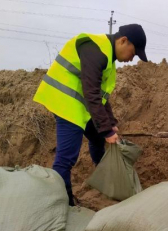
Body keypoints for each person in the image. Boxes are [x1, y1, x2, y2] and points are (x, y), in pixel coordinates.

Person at [33, 24, 148, 206]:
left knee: (96, 138)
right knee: (66, 159)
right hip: (66, 103)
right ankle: (64, 203)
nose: (132, 59)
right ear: (123, 41)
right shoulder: (96, 50)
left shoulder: (108, 58)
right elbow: (91, 93)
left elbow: (101, 96)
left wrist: (110, 123)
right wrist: (108, 131)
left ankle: (105, 178)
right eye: (133, 53)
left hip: (80, 105)